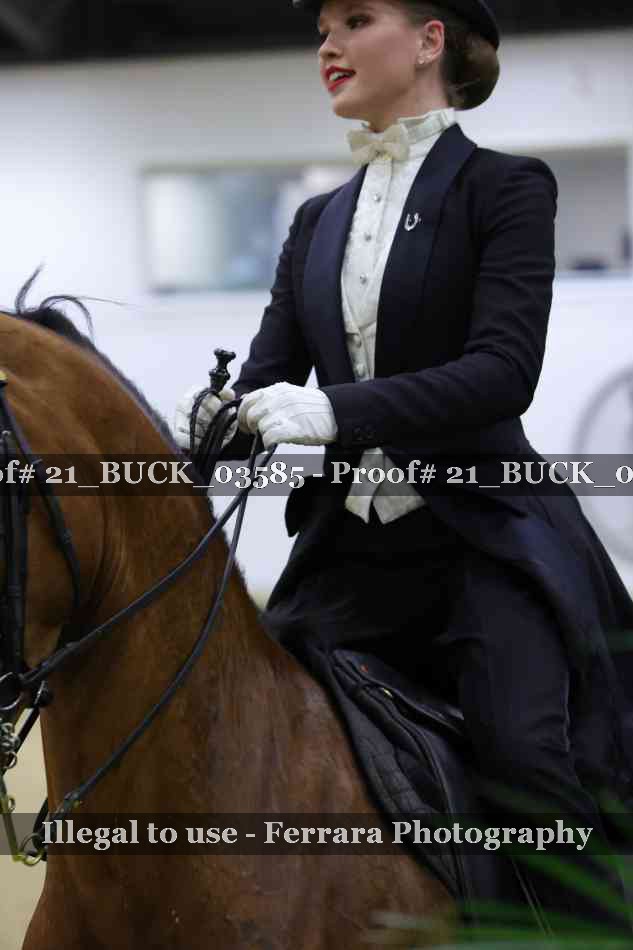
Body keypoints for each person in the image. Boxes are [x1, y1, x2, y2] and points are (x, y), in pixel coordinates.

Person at [175, 0, 633, 931]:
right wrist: (221, 419)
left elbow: (501, 373)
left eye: (355, 19)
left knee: (524, 761)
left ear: (429, 41)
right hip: (348, 557)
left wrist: (333, 411)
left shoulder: (506, 188)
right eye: (321, 28)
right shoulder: (316, 220)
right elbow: (268, 379)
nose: (328, 44)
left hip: (480, 543)